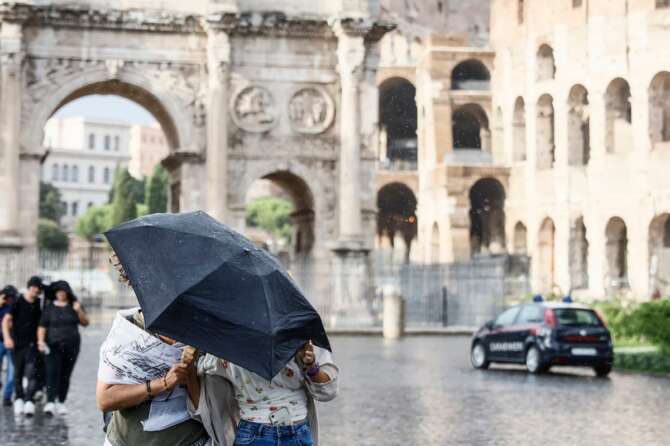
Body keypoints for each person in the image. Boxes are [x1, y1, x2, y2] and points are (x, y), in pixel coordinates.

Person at [96, 254, 209, 446]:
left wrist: (189, 373)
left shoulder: (203, 333)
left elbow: (209, 409)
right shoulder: (128, 330)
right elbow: (105, 400)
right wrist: (163, 383)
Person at [185, 341, 339, 446]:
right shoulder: (299, 331)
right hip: (273, 431)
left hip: (286, 431)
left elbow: (328, 391)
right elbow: (328, 392)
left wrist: (311, 367)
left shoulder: (226, 340)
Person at [38, 280, 89, 416]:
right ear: (55, 293)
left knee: (65, 374)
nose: (61, 294)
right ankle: (50, 401)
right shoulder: (49, 308)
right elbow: (42, 326)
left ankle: (61, 401)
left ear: (67, 293)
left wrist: (79, 311)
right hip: (52, 346)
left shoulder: (74, 305)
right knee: (51, 373)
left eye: (63, 292)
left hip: (71, 346)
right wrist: (40, 341)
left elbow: (85, 323)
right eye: (59, 292)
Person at [1, 276, 44, 416]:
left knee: (31, 372)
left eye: (38, 290)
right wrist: (7, 338)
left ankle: (29, 400)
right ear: (29, 287)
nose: (35, 292)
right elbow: (6, 321)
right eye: (33, 288)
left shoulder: (39, 303)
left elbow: (41, 324)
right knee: (17, 373)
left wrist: (40, 341)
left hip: (32, 344)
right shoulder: (18, 301)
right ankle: (18, 398)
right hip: (17, 344)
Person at [0, 285, 18, 406]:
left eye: (12, 297)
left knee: (13, 371)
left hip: (13, 342)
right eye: (8, 297)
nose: (10, 299)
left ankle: (7, 396)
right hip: (0, 342)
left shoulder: (17, 307)